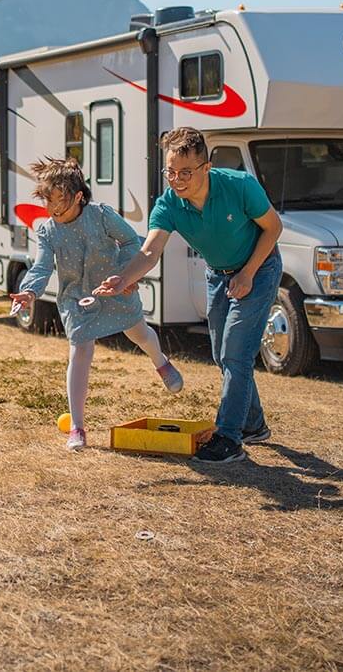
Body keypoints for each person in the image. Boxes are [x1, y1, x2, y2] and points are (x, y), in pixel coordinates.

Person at [95, 127, 283, 464]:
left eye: (185, 172)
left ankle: (229, 437)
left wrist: (248, 273)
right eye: (170, 171)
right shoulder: (169, 204)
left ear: (206, 167)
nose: (176, 179)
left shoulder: (239, 186)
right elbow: (150, 252)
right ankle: (252, 423)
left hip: (260, 268)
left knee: (236, 352)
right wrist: (122, 279)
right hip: (218, 274)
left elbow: (274, 227)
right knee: (221, 353)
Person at [10, 158, 185, 451]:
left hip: (115, 286)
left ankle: (161, 363)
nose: (53, 211)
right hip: (76, 298)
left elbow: (132, 241)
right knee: (80, 350)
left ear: (78, 197)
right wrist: (29, 292)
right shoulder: (48, 231)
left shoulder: (101, 216)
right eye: (48, 203)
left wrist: (125, 273)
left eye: (60, 204)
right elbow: (41, 268)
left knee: (139, 334)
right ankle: (77, 428)